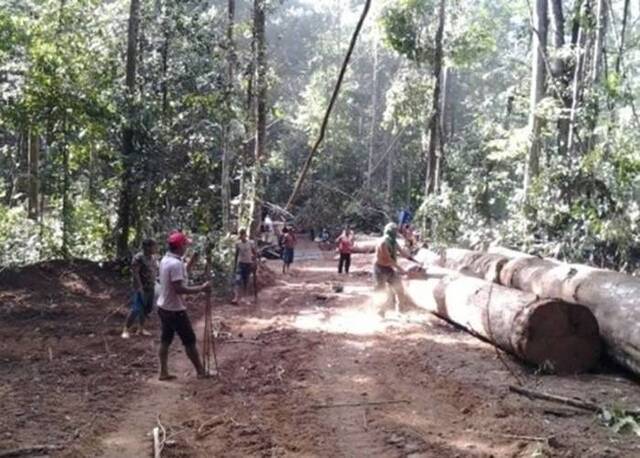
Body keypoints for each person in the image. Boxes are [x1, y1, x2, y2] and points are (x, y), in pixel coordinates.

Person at [156, 231, 210, 380]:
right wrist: (202, 288)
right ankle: (200, 371)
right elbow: (179, 288)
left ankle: (163, 372)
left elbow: (180, 273)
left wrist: (192, 260)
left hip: (163, 307)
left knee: (165, 339)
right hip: (175, 310)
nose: (186, 247)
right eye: (185, 244)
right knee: (190, 341)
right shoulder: (175, 263)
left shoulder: (166, 259)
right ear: (180, 246)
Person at [121, 239, 158, 339]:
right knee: (136, 309)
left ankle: (141, 328)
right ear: (147, 247)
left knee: (146, 309)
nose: (155, 248)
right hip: (140, 287)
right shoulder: (138, 258)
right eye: (154, 246)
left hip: (151, 286)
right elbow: (135, 273)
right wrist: (140, 287)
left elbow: (154, 271)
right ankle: (126, 329)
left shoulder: (153, 258)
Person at [373, 223, 412, 317]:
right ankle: (380, 311)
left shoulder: (393, 241)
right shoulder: (383, 243)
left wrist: (412, 259)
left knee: (399, 288)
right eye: (394, 231)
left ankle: (400, 310)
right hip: (380, 268)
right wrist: (402, 270)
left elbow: (402, 252)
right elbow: (389, 260)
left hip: (389, 268)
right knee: (381, 290)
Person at [231, 228, 257, 304]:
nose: (242, 236)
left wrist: (254, 262)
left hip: (248, 263)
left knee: (246, 281)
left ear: (245, 235)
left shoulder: (250, 243)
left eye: (243, 235)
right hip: (241, 263)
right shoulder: (238, 244)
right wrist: (235, 265)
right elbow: (236, 255)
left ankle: (245, 297)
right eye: (241, 235)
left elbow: (254, 253)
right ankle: (236, 298)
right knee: (237, 280)